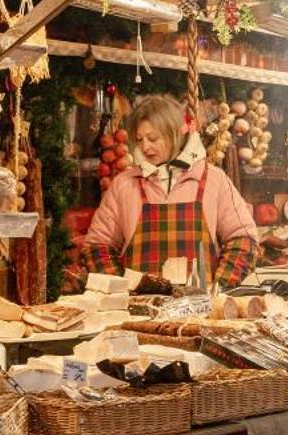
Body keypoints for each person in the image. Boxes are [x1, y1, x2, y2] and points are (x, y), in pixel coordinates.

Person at [84, 93, 260, 289]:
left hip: (202, 315)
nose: (145, 146)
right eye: (139, 139)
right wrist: (119, 292)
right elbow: (97, 246)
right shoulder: (124, 184)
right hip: (138, 314)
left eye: (153, 138)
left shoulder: (214, 180)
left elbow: (244, 241)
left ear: (175, 134)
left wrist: (220, 288)